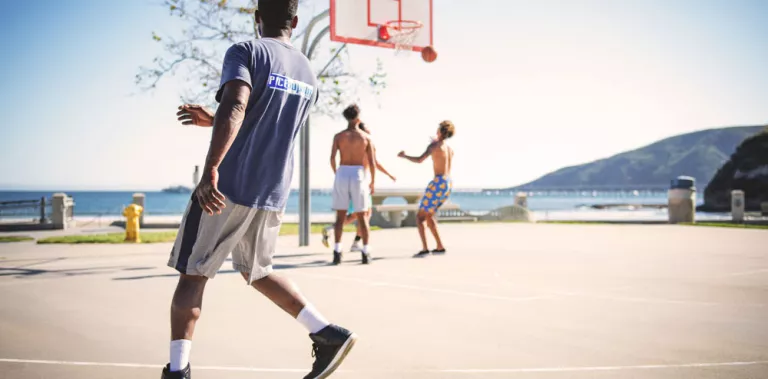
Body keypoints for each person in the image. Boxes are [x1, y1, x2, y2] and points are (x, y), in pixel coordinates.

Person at [166, 2, 356, 378]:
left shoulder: (246, 51)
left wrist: (210, 170)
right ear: (296, 21)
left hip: (230, 185)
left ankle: (177, 371)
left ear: (257, 17)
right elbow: (264, 118)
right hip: (271, 190)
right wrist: (214, 117)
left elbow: (237, 105)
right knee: (259, 271)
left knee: (192, 276)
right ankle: (326, 332)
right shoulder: (308, 72)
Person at [321, 121, 396, 251]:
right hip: (359, 183)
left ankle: (352, 241)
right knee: (361, 215)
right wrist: (383, 177)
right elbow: (374, 163)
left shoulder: (363, 143)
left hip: (359, 182)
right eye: (367, 130)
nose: (369, 132)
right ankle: (338, 233)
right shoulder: (364, 144)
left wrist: (388, 175)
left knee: (363, 214)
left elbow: (374, 163)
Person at [398, 121, 455, 258]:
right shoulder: (449, 148)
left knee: (420, 217)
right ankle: (439, 246)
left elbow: (419, 160)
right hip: (447, 183)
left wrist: (404, 156)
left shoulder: (434, 146)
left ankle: (424, 249)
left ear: (440, 131)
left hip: (438, 182)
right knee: (429, 215)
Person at [329, 105, 376, 264]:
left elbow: (332, 158)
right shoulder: (365, 137)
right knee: (362, 215)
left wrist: (337, 173)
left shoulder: (339, 136)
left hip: (342, 172)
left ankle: (337, 250)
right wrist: (373, 181)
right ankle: (365, 251)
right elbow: (372, 162)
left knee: (340, 216)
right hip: (358, 173)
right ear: (357, 117)